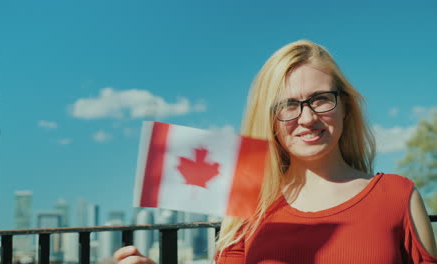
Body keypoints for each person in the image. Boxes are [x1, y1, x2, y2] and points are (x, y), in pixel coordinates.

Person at [113, 40, 437, 263]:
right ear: (269, 120)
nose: (307, 118)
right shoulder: (248, 202)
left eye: (321, 99)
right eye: (289, 105)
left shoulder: (397, 195)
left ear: (345, 107)